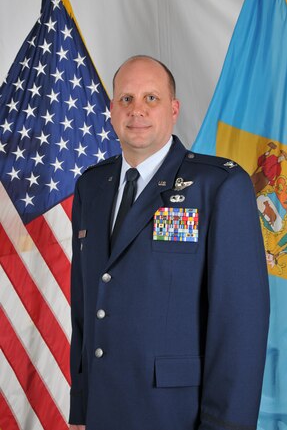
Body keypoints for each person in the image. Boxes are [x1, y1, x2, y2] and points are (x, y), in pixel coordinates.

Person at [69, 55, 270, 430]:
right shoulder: (91, 187)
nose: (137, 111)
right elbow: (84, 305)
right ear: (111, 110)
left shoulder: (219, 186)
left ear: (174, 109)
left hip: (177, 413)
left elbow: (240, 324)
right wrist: (80, 407)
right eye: (126, 99)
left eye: (151, 98)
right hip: (103, 410)